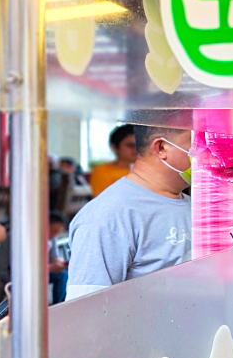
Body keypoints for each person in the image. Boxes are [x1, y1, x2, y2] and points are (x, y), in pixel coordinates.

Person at [66, 122, 192, 300]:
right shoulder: (108, 217)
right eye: (196, 143)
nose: (208, 152)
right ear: (161, 147)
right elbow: (85, 311)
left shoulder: (194, 206)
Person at [89, 124, 137, 197]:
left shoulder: (149, 171)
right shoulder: (102, 171)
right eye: (130, 145)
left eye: (139, 145)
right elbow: (104, 201)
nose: (136, 149)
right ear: (114, 147)